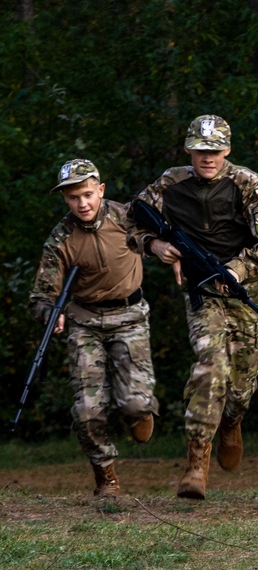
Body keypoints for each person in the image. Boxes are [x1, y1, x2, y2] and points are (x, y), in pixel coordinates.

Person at [126, 115, 258, 499]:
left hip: (244, 294)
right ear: (188, 150)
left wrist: (237, 268)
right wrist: (153, 245)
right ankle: (196, 465)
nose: (208, 157)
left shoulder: (250, 185)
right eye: (201, 150)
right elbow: (130, 219)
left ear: (228, 150)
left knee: (240, 386)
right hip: (201, 296)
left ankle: (232, 421)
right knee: (210, 366)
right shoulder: (170, 184)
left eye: (215, 150)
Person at [29, 159, 159, 498]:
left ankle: (139, 412)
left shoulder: (127, 217)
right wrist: (48, 313)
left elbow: (158, 239)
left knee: (135, 404)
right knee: (88, 410)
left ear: (100, 190)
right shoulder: (61, 238)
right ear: (65, 200)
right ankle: (106, 477)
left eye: (87, 194)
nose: (82, 204)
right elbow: (41, 293)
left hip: (130, 317)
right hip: (84, 322)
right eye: (73, 198)